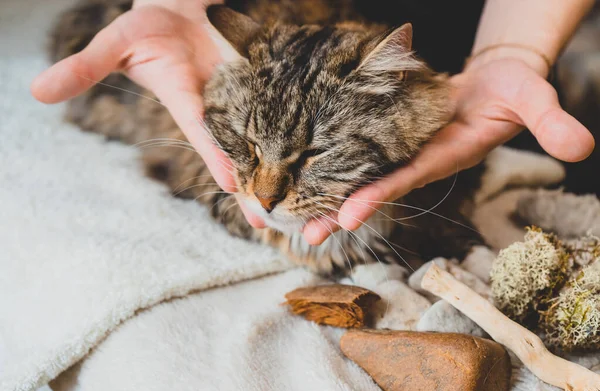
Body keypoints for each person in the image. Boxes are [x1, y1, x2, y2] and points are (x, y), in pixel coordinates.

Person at [32, 0, 596, 245]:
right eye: (254, 154)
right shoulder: (236, 81)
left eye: (310, 157)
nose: (268, 192)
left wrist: (515, 49)